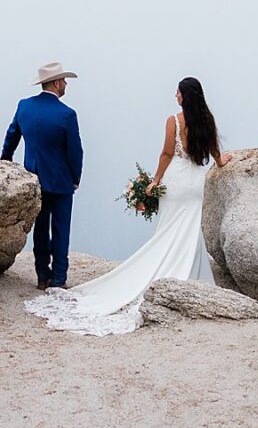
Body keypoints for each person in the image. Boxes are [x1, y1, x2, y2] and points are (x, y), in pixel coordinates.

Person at [24, 76, 233, 335]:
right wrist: (223, 162)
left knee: (168, 229)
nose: (175, 96)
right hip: (195, 183)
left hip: (176, 182)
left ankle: (164, 273)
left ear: (185, 96)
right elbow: (215, 151)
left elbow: (167, 154)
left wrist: (155, 181)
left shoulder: (175, 121)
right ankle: (189, 274)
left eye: (177, 92)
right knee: (190, 229)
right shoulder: (207, 121)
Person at [1, 61, 84, 290]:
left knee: (40, 227)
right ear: (57, 83)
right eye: (64, 80)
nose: (66, 84)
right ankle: (58, 278)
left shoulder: (24, 106)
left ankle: (41, 275)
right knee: (60, 230)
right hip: (60, 180)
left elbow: (11, 137)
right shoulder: (67, 114)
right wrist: (75, 177)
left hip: (33, 178)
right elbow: (75, 151)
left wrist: (5, 164)